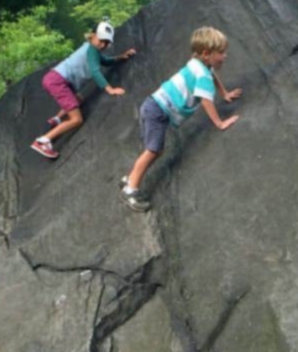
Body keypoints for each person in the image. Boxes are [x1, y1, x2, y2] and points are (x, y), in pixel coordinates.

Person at [120, 26, 242, 213]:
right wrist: (220, 123)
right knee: (153, 150)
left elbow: (212, 75)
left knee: (154, 149)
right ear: (206, 54)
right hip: (157, 111)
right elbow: (206, 100)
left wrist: (225, 93)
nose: (225, 56)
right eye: (222, 53)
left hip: (154, 105)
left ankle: (131, 178)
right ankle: (130, 189)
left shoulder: (198, 63)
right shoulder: (202, 74)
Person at [31, 20, 136, 160]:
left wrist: (121, 57)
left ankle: (56, 119)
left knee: (78, 99)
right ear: (92, 36)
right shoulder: (91, 50)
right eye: (101, 40)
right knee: (76, 119)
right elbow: (95, 71)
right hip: (58, 81)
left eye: (106, 42)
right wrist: (110, 89)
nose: (103, 45)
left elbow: (104, 61)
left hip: (56, 79)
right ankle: (43, 141)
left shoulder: (92, 50)